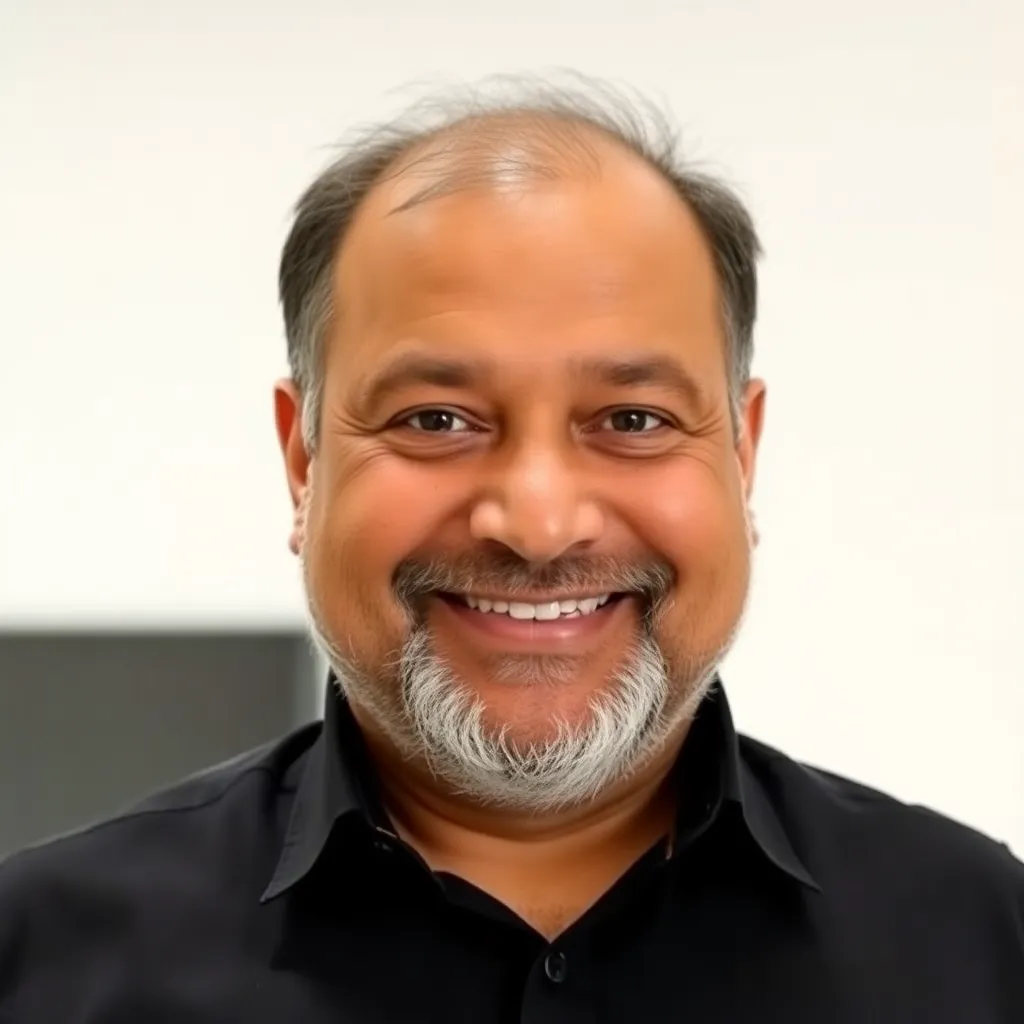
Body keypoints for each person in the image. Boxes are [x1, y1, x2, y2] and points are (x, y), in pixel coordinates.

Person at [1, 75, 1021, 1023]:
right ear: (302, 458)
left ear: (742, 452)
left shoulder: (981, 948)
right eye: (437, 419)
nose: (537, 525)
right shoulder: (41, 963)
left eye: (630, 420)